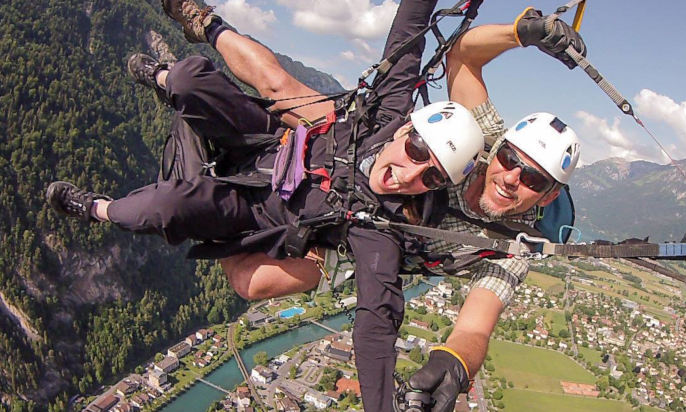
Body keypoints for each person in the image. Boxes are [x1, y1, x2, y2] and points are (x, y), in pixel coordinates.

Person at [47, 1, 484, 410]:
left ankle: (93, 207)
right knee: (187, 79)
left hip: (248, 208)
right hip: (265, 141)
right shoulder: (385, 114)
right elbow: (409, 31)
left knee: (154, 209)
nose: (409, 173)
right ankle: (163, 79)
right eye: (417, 149)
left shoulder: (378, 235)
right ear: (406, 127)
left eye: (430, 177)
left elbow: (376, 328)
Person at [178, 4, 585, 411]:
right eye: (511, 161)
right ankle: (205, 23)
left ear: (548, 195)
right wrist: (522, 31)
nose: (511, 177)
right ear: (500, 149)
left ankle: (205, 192)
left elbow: (476, 325)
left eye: (532, 180)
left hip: (367, 240)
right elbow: (464, 54)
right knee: (279, 87)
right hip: (386, 160)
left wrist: (456, 362)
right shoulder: (489, 136)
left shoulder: (513, 248)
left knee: (252, 282)